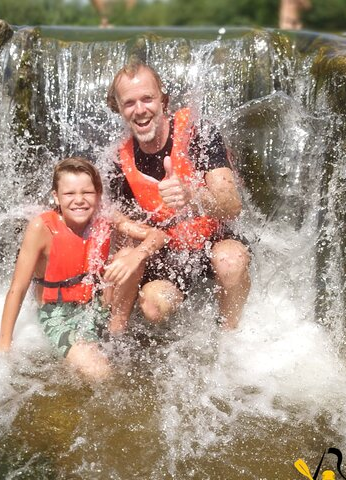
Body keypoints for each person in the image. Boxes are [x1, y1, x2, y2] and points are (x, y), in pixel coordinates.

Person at [104, 59, 251, 333]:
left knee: (231, 260)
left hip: (212, 242)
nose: (140, 110)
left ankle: (230, 338)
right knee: (153, 305)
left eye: (147, 99)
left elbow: (232, 205)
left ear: (164, 101)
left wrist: (192, 196)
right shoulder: (119, 160)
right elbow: (114, 220)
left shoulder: (200, 134)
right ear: (120, 110)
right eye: (129, 103)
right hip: (167, 256)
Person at [0, 157, 167, 380]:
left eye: (87, 193)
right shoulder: (42, 228)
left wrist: (136, 255)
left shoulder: (104, 215)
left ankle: (117, 329)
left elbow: (158, 235)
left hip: (96, 302)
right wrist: (3, 347)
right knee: (99, 372)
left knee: (127, 255)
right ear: (56, 196)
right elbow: (17, 289)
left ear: (98, 195)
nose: (79, 200)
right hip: (58, 312)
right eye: (69, 194)